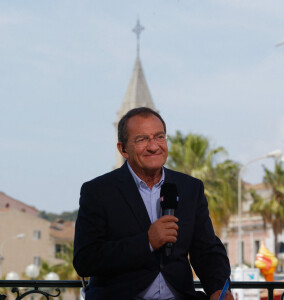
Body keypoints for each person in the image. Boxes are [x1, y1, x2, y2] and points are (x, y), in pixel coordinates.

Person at [73, 107, 234, 300]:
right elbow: (85, 259)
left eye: (159, 137)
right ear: (123, 149)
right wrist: (147, 242)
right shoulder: (99, 191)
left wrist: (218, 289)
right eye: (142, 139)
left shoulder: (190, 188)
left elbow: (207, 251)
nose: (153, 146)